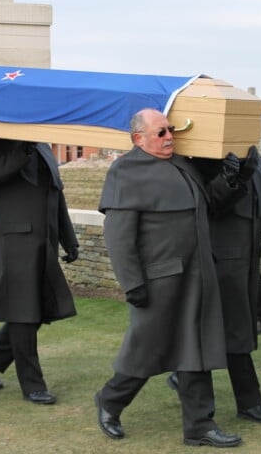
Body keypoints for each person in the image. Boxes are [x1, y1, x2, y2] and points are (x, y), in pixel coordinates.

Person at [94, 108, 241, 449]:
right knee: (147, 350)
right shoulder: (125, 171)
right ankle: (110, 400)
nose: (169, 137)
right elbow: (118, 236)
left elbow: (209, 204)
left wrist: (233, 179)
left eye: (169, 131)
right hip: (158, 282)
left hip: (197, 276)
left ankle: (199, 427)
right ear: (138, 138)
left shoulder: (181, 164)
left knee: (196, 350)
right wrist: (132, 283)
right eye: (160, 133)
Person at [174, 146, 261, 425]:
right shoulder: (202, 156)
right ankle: (248, 401)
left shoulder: (250, 154)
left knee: (237, 332)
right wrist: (231, 176)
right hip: (218, 261)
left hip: (245, 262)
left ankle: (241, 398)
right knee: (229, 332)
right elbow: (209, 203)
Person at [0, 139, 79, 405]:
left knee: (37, 312)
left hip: (44, 244)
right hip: (14, 243)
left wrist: (69, 238)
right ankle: (33, 385)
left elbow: (57, 195)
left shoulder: (44, 146)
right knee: (24, 315)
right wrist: (23, 148)